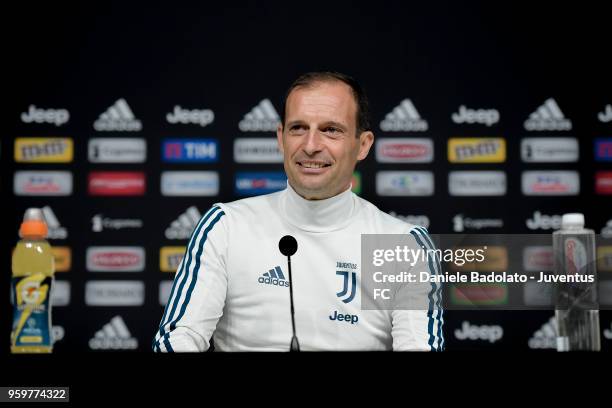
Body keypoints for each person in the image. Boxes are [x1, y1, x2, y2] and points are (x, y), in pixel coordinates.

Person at [153, 71, 443, 351]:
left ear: (363, 145)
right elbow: (179, 337)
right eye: (298, 128)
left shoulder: (405, 244)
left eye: (331, 130)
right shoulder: (226, 225)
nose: (311, 146)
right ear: (281, 138)